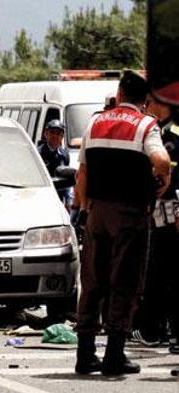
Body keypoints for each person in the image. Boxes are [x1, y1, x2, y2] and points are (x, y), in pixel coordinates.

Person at [74, 71, 171, 376]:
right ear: (145, 100)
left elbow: (82, 175)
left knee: (92, 282)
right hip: (129, 215)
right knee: (125, 281)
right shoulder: (146, 126)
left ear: (119, 93)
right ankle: (114, 355)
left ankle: (85, 353)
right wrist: (164, 179)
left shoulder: (94, 122)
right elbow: (162, 161)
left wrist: (85, 206)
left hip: (97, 213)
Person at [130, 95, 179, 353]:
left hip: (168, 212)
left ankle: (153, 330)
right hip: (170, 211)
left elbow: (164, 169)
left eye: (151, 103)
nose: (148, 108)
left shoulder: (168, 132)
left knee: (160, 272)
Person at [37, 119, 72, 209]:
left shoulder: (64, 155)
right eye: (52, 132)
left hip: (58, 199)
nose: (55, 136)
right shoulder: (37, 153)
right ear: (46, 134)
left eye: (58, 133)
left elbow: (67, 181)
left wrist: (68, 202)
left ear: (62, 137)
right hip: (41, 198)